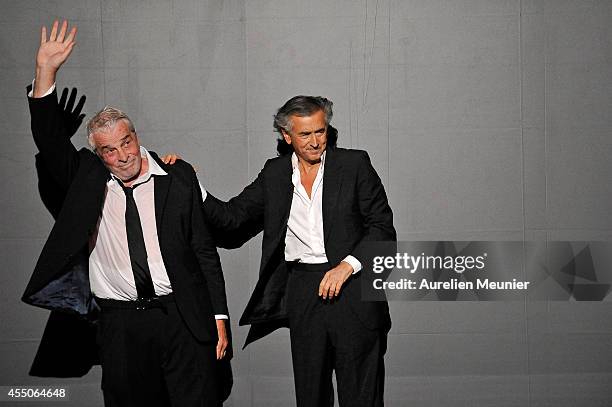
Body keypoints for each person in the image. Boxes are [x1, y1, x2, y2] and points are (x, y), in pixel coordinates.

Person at [22, 20, 230, 407]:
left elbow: (204, 251)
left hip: (181, 317)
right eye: (110, 151)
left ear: (136, 136)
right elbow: (50, 143)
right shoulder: (88, 180)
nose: (123, 156)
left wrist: (219, 317)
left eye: (127, 143)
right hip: (120, 324)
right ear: (99, 155)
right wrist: (45, 73)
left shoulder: (175, 176)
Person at [200, 95, 396, 406]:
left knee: (362, 394)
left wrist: (347, 266)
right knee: (310, 392)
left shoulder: (354, 165)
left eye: (321, 131)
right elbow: (231, 218)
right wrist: (191, 186)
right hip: (304, 289)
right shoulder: (275, 173)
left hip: (353, 288)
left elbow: (382, 229)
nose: (316, 141)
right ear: (286, 136)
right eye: (305, 134)